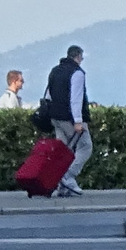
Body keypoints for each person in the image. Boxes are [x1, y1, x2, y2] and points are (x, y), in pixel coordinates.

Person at [45, 45, 92, 197]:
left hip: (55, 117)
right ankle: (67, 176)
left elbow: (49, 95)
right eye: (81, 58)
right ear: (77, 56)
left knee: (64, 150)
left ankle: (61, 186)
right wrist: (78, 121)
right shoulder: (77, 73)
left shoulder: (55, 71)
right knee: (85, 146)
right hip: (70, 118)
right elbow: (76, 99)